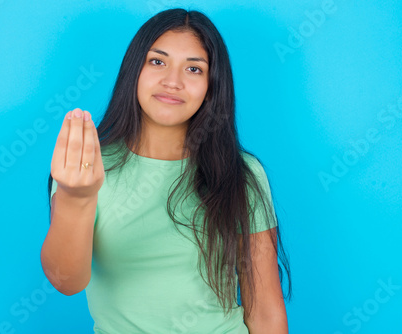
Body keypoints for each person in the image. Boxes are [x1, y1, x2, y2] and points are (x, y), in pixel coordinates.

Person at [41, 8, 291, 334]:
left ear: (211, 86)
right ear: (135, 70)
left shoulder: (241, 174)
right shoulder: (86, 167)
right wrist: (76, 197)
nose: (173, 82)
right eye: (157, 62)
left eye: (193, 69)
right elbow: (66, 281)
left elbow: (266, 311)